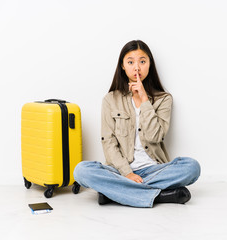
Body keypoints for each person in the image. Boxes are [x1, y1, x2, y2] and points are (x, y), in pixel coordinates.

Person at [73, 40, 201, 208]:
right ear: (123, 66)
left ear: (150, 65)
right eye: (131, 62)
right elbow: (108, 142)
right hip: (119, 170)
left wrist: (145, 100)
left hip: (155, 170)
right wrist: (127, 173)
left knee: (192, 167)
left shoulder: (164, 99)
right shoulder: (110, 99)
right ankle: (160, 196)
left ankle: (114, 194)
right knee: (81, 170)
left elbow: (155, 136)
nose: (137, 68)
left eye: (142, 61)